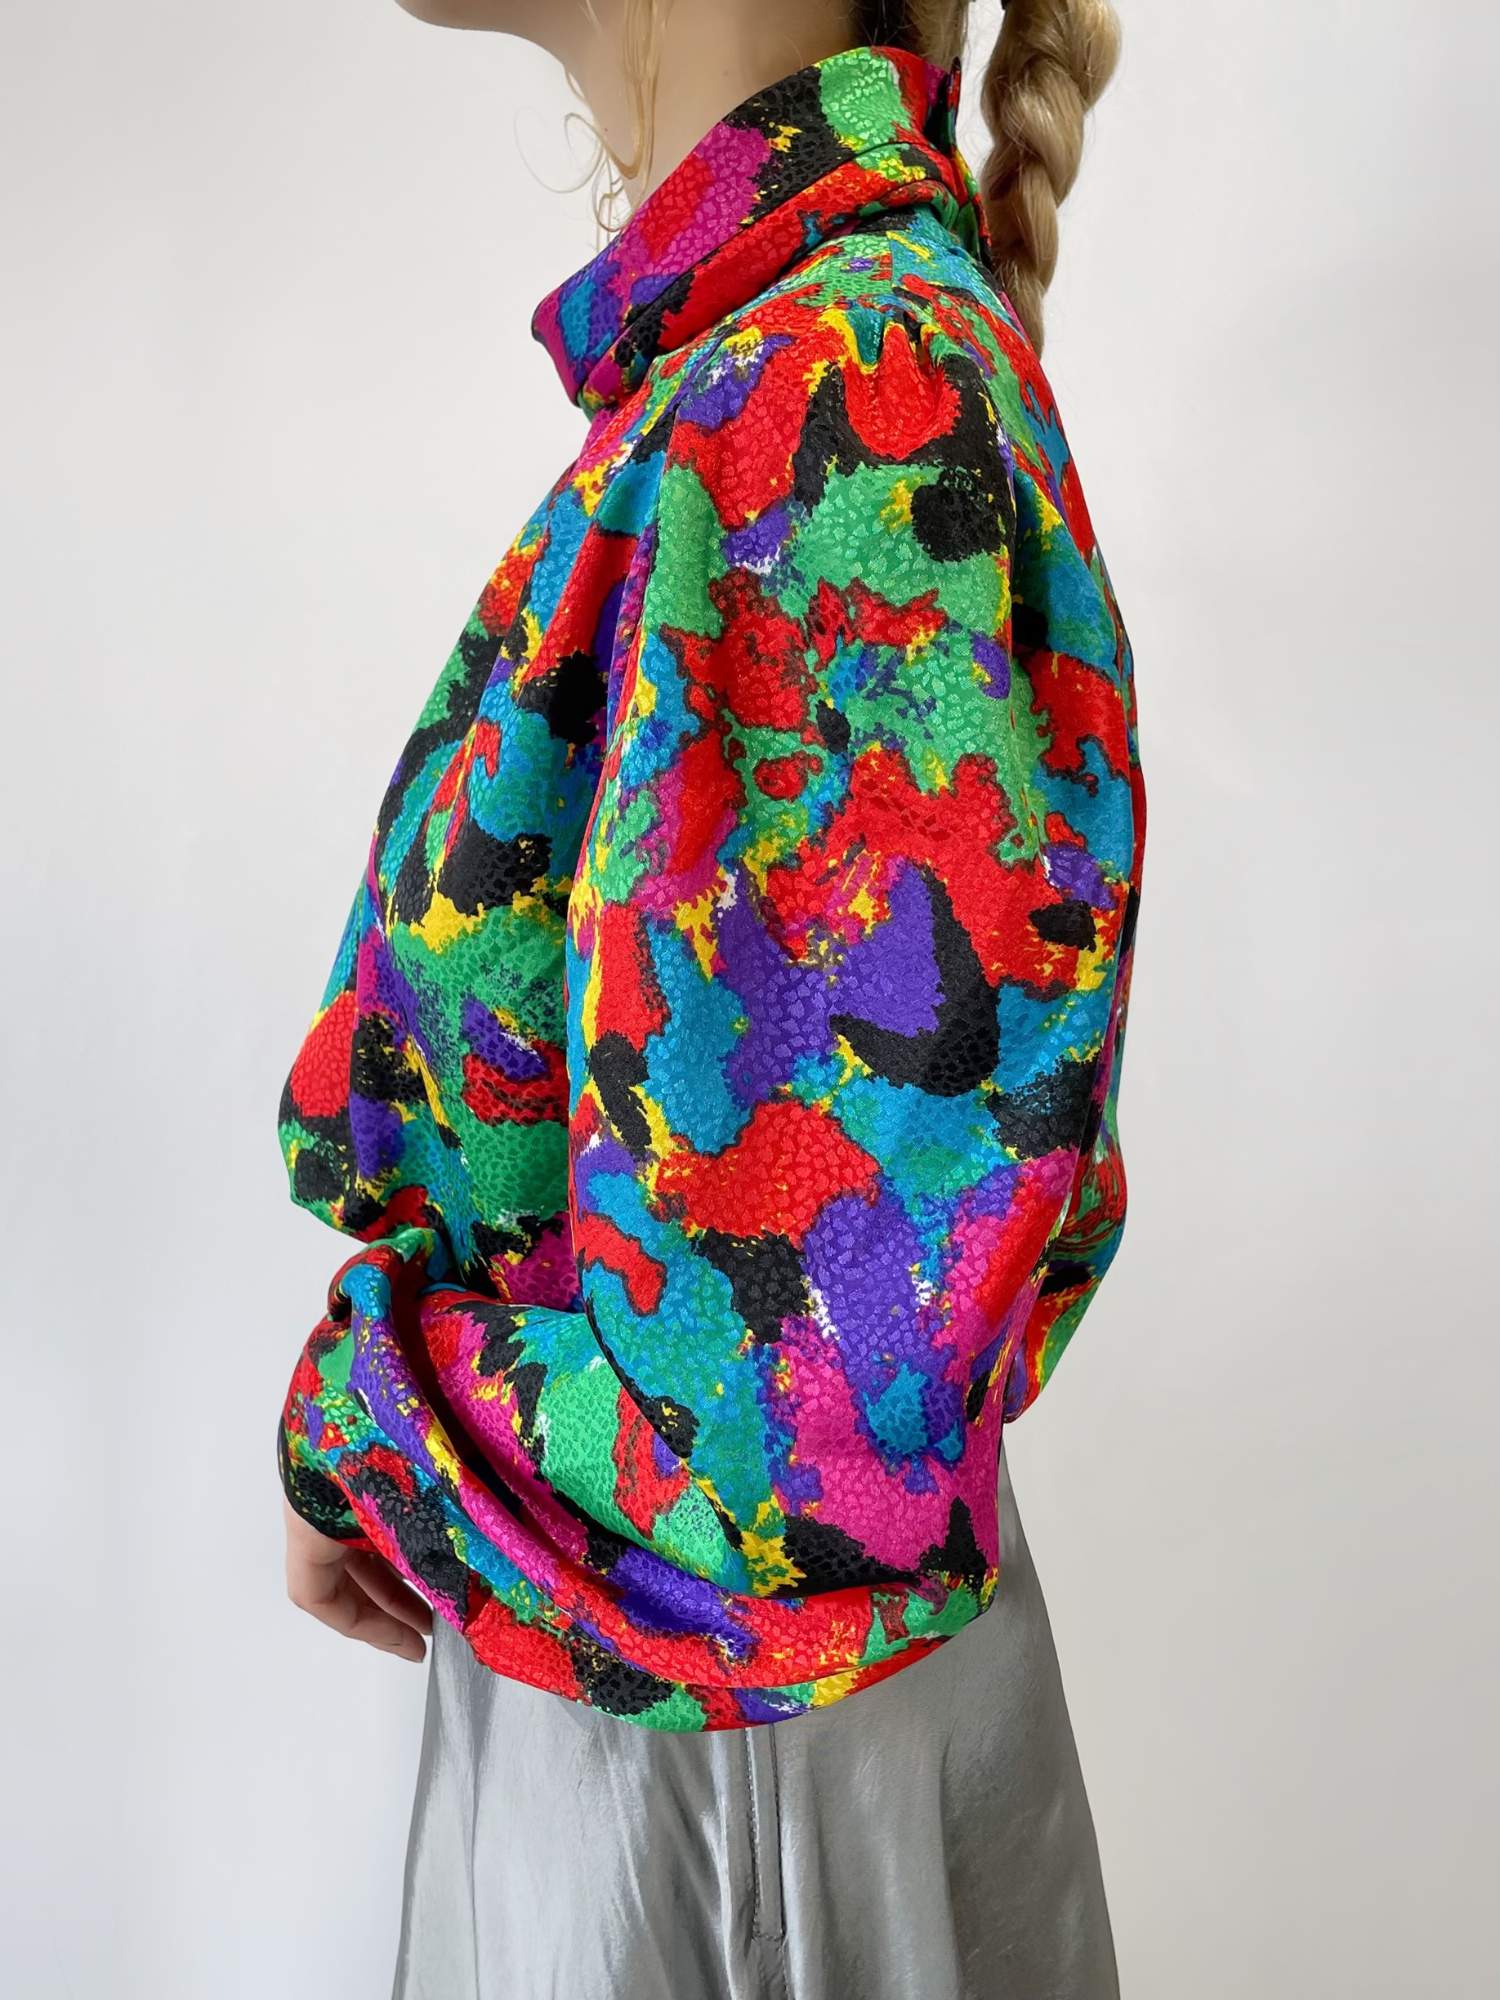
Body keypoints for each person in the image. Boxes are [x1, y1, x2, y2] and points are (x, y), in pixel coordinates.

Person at [276, 2, 1145, 1994]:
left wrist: (375, 1422)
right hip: (704, 1740)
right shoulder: (769, 366)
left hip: (720, 1753)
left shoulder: (834, 392)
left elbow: (790, 1433)